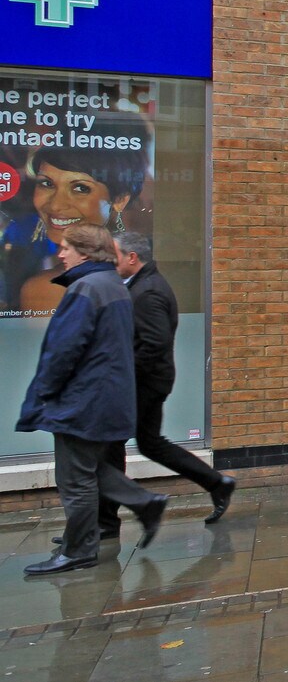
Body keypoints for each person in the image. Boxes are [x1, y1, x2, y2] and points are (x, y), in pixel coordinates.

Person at [15, 223, 166, 576]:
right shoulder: (111, 284)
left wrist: (45, 392)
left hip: (84, 398)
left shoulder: (86, 288)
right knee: (90, 467)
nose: (60, 254)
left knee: (75, 478)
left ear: (85, 252)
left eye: (67, 248)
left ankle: (79, 550)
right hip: (103, 394)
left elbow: (64, 349)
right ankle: (142, 504)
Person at [114, 233, 236, 524]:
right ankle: (216, 483)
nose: (110, 262)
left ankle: (110, 518)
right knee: (148, 443)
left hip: (145, 383)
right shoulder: (143, 285)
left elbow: (154, 343)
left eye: (114, 255)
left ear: (132, 257)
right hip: (149, 381)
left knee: (112, 445)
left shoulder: (148, 291)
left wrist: (125, 376)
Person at [14, 123, 150, 314]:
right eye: (47, 184)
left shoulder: (49, 289)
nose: (56, 205)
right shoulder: (140, 273)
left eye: (80, 188)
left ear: (120, 200)